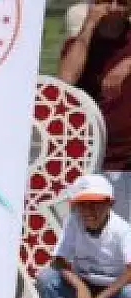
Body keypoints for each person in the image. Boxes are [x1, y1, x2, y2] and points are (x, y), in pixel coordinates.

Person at [35, 174, 131, 298]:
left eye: (95, 204)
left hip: (113, 291)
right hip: (83, 283)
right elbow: (59, 260)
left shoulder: (122, 229)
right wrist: (81, 288)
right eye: (83, 204)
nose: (88, 211)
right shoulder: (73, 221)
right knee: (46, 277)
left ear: (109, 204)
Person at [59, 0, 131, 218]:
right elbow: (64, 82)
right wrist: (88, 27)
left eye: (122, 2)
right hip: (86, 155)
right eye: (105, 1)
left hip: (124, 162)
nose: (113, 7)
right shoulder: (80, 44)